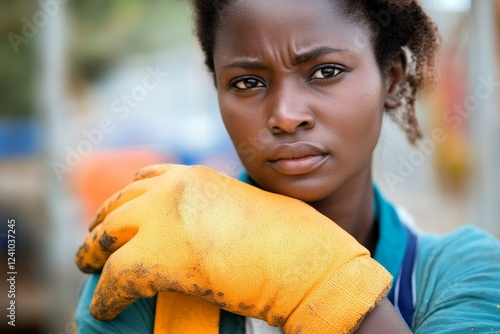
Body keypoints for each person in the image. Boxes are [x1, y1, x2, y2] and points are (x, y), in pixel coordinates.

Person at [74, 0, 500, 333]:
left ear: (390, 79)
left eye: (326, 71)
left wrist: (318, 285)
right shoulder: (150, 270)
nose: (285, 114)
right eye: (247, 82)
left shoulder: (461, 273)